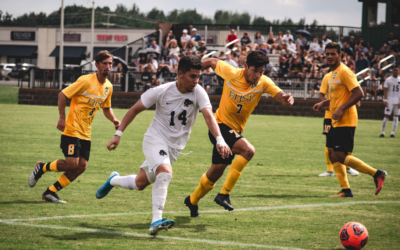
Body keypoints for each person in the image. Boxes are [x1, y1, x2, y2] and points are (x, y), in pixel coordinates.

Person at [95, 56, 231, 236]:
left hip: (174, 148)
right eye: (192, 76)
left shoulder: (199, 92)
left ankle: (113, 179)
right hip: (155, 139)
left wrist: (220, 139)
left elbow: (208, 116)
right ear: (180, 74)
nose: (196, 81)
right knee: (165, 173)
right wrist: (117, 135)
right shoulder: (161, 91)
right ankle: (156, 221)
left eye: (198, 77)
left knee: (140, 183)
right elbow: (134, 109)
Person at [184, 51, 294, 217]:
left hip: (234, 131)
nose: (258, 75)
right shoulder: (233, 73)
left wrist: (286, 100)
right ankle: (224, 194)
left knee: (215, 173)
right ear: (246, 66)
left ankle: (192, 200)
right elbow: (212, 61)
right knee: (248, 150)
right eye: (255, 70)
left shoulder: (263, 82)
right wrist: (193, 75)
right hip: (219, 127)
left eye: (261, 72)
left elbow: (280, 96)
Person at [28, 51, 120, 203]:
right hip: (72, 129)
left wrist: (114, 120)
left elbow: (106, 108)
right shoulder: (85, 81)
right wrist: (62, 118)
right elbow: (62, 95)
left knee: (82, 166)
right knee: (72, 164)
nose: (108, 67)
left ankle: (51, 192)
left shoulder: (108, 87)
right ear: (97, 65)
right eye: (104, 63)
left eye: (110, 63)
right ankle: (42, 167)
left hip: (86, 132)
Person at [313, 42, 387, 197]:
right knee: (333, 153)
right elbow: (337, 99)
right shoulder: (332, 74)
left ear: (341, 55)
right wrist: (322, 104)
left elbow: (359, 94)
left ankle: (377, 173)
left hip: (346, 119)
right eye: (328, 54)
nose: (330, 56)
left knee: (340, 155)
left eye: (333, 53)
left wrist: (340, 109)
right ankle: (345, 190)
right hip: (335, 120)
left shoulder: (345, 72)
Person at [379, 66, 400, 138]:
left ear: (399, 71)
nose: (396, 71)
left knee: (396, 117)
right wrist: (385, 100)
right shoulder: (388, 80)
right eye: (394, 70)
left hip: (397, 101)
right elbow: (385, 90)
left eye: (397, 70)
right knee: (386, 116)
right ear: (392, 71)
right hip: (390, 101)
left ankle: (392, 133)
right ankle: (382, 132)